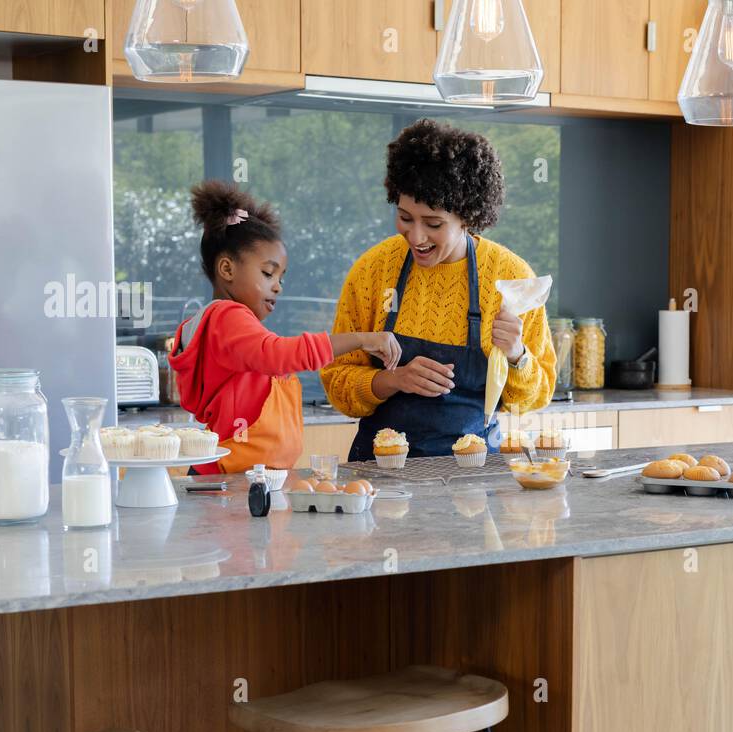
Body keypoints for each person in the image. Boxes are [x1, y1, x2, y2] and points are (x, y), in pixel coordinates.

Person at [321, 120, 556, 460]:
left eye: (433, 224)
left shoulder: (509, 277)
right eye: (404, 217)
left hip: (473, 480)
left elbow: (535, 396)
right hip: (380, 474)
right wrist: (395, 380)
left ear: (467, 217)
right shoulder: (374, 270)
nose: (416, 236)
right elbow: (337, 383)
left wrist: (518, 355)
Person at [169, 181, 400, 475]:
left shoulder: (223, 324)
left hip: (247, 476)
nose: (277, 286)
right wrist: (361, 339)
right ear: (227, 269)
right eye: (267, 273)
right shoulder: (227, 317)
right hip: (233, 478)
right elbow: (279, 355)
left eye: (281, 276)